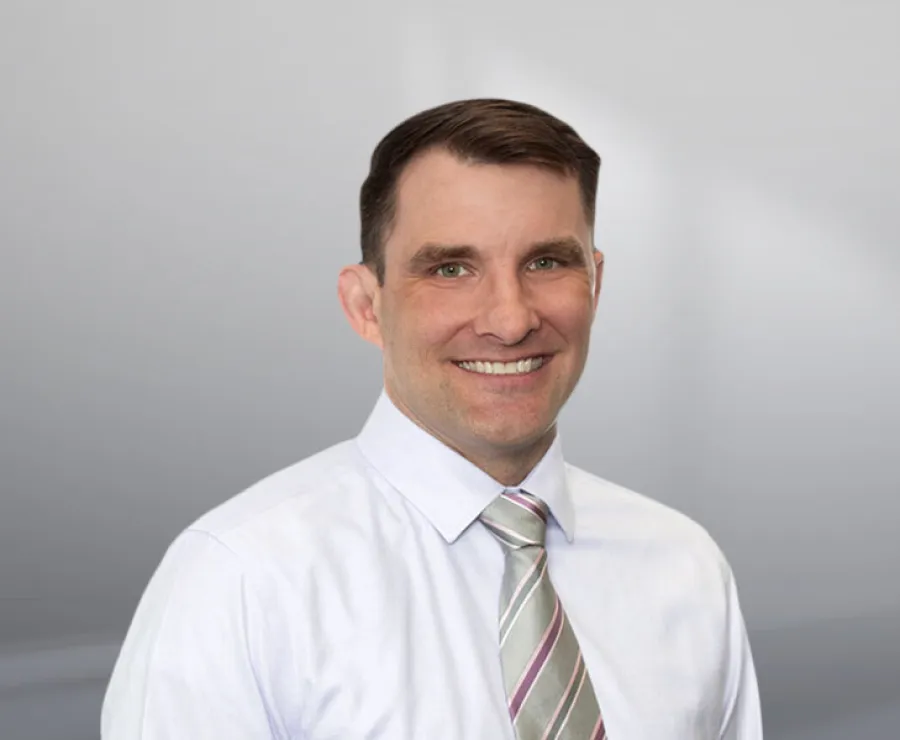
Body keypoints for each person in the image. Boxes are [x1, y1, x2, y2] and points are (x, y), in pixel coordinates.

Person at [101, 98, 763, 739]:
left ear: (595, 282)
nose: (510, 319)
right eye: (450, 268)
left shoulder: (684, 567)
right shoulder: (241, 579)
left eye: (546, 262)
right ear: (365, 305)